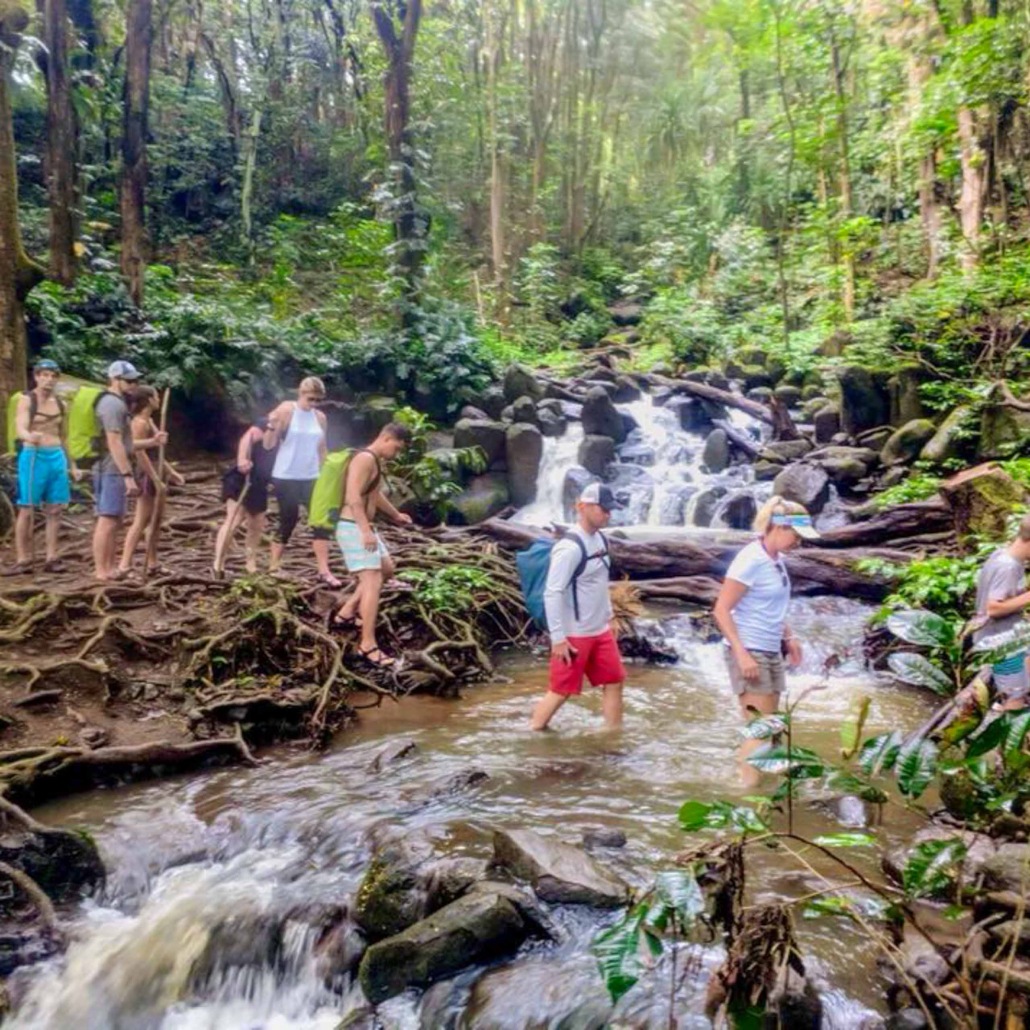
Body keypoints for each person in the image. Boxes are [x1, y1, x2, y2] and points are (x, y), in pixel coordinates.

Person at [713, 496, 817, 782]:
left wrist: (789, 637)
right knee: (759, 727)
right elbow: (721, 610)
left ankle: (755, 783)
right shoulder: (750, 559)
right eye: (796, 535)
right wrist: (742, 653)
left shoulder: (777, 560)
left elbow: (771, 607)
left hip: (770, 648)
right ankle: (747, 793)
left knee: (770, 726)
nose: (798, 542)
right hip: (750, 648)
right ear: (778, 528)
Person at [530, 483, 627, 732]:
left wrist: (610, 616)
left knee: (615, 680)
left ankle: (612, 737)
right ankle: (533, 733)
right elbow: (552, 593)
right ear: (582, 507)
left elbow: (599, 582)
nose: (607, 515)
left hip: (600, 629)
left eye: (610, 510)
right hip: (574, 634)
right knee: (560, 691)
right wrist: (559, 638)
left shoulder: (601, 539)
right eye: (603, 509)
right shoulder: (569, 548)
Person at [329, 423, 413, 667]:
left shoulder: (376, 461)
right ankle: (367, 644)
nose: (396, 454)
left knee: (387, 569)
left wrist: (395, 515)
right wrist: (365, 531)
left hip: (364, 527)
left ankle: (347, 611)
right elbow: (353, 497)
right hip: (352, 527)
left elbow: (374, 494)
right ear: (386, 438)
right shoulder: (364, 459)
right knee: (372, 580)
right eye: (396, 448)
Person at [5, 359, 79, 574]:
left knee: (55, 508)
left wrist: (72, 464)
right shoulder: (27, 400)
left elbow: (64, 436)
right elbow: (20, 426)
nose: (48, 380)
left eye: (52, 376)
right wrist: (30, 435)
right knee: (27, 508)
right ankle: (23, 559)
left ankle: (52, 557)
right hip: (33, 456)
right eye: (44, 375)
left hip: (56, 457)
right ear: (36, 376)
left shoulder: (61, 404)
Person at [267, 377, 340, 586]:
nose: (314, 404)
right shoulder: (286, 410)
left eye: (318, 400)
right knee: (288, 518)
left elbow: (322, 446)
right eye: (311, 399)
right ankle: (273, 566)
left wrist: (328, 470)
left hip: (312, 476)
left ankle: (324, 570)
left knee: (320, 521)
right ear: (300, 394)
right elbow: (269, 444)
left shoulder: (320, 417)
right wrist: (272, 425)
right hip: (286, 474)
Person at [117, 386, 184, 577]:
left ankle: (153, 563)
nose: (158, 399)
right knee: (142, 519)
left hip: (158, 471)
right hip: (147, 474)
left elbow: (158, 449)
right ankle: (124, 565)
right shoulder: (139, 423)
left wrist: (171, 472)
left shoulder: (150, 422)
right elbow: (140, 453)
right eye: (155, 396)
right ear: (148, 400)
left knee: (156, 520)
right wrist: (155, 478)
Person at [92, 360, 149, 582]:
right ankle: (101, 570)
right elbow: (114, 442)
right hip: (111, 469)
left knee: (115, 519)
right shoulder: (112, 405)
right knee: (107, 519)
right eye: (129, 380)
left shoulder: (118, 403)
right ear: (114, 380)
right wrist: (127, 476)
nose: (134, 384)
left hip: (115, 468)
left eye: (136, 380)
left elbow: (126, 442)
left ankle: (109, 567)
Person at [971, 513, 1030, 712]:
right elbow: (993, 608)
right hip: (1000, 643)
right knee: (1016, 699)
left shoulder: (1004, 555)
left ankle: (1002, 701)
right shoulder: (1008, 567)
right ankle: (1010, 733)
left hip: (1009, 637)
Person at [213, 419, 279, 577]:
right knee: (234, 520)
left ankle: (250, 563)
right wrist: (242, 460)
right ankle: (218, 564)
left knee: (257, 524)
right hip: (242, 480)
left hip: (260, 484)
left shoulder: (288, 433)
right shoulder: (267, 424)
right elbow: (247, 437)